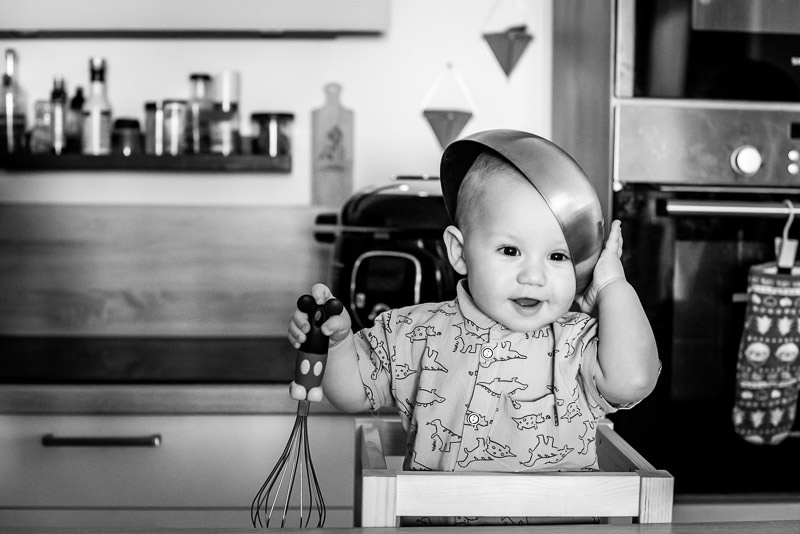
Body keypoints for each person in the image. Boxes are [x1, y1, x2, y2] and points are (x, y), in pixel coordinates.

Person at [289, 129, 659, 477]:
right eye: (510, 250)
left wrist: (613, 284)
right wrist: (335, 346)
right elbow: (352, 393)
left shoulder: (577, 344)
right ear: (460, 252)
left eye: (558, 257)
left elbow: (634, 380)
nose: (534, 276)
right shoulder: (412, 333)